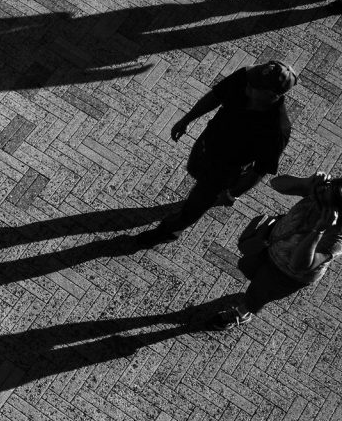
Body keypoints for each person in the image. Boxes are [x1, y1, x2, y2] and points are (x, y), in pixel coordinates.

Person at [138, 61, 296, 245]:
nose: (246, 84)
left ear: (270, 95)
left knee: (198, 202)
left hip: (225, 171)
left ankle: (171, 231)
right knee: (194, 170)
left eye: (253, 86)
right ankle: (194, 202)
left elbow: (259, 170)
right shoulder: (246, 77)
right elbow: (215, 96)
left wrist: (232, 193)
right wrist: (186, 119)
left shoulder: (277, 130)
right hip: (206, 145)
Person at [210, 172, 342, 330]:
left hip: (285, 274)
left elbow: (298, 265)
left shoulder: (336, 239)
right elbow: (276, 183)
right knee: (249, 268)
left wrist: (318, 230)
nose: (320, 193)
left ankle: (242, 313)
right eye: (327, 187)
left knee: (257, 295)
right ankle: (255, 290)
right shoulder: (320, 194)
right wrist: (306, 183)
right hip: (270, 246)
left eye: (326, 194)